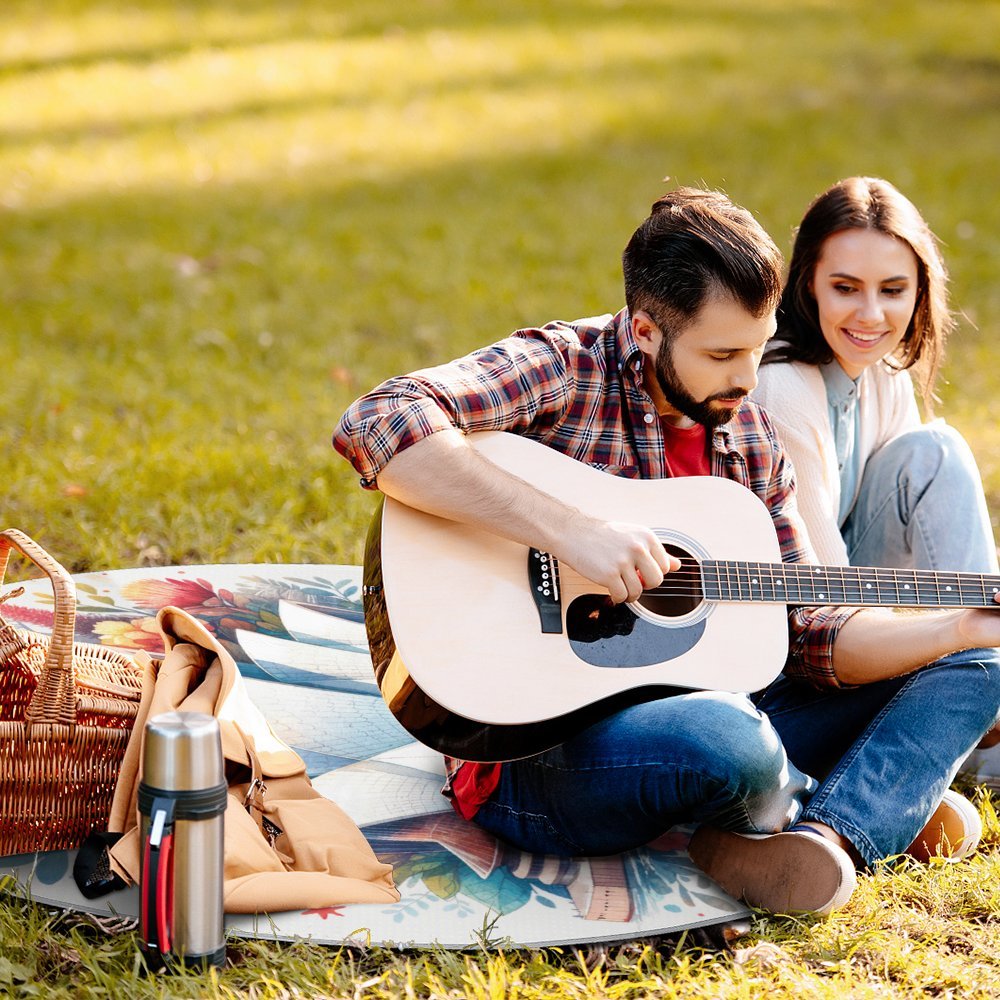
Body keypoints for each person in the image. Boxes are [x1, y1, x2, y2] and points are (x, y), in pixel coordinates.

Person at [333, 187, 1000, 916]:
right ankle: (859, 795)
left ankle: (830, 836)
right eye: (722, 354)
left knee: (980, 665)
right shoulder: (564, 367)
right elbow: (380, 419)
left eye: (757, 346)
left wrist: (957, 628)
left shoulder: (748, 436)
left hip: (724, 709)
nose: (748, 380)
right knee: (729, 741)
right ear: (646, 330)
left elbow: (809, 629)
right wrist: (569, 530)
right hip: (536, 755)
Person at [753, 176, 1000, 796]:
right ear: (807, 281)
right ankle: (976, 706)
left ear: (920, 291)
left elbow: (923, 521)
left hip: (861, 603)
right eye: (845, 288)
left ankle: (979, 694)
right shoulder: (783, 387)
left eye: (893, 290)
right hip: (796, 642)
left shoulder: (881, 370)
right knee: (937, 450)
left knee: (932, 451)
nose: (872, 315)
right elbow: (823, 604)